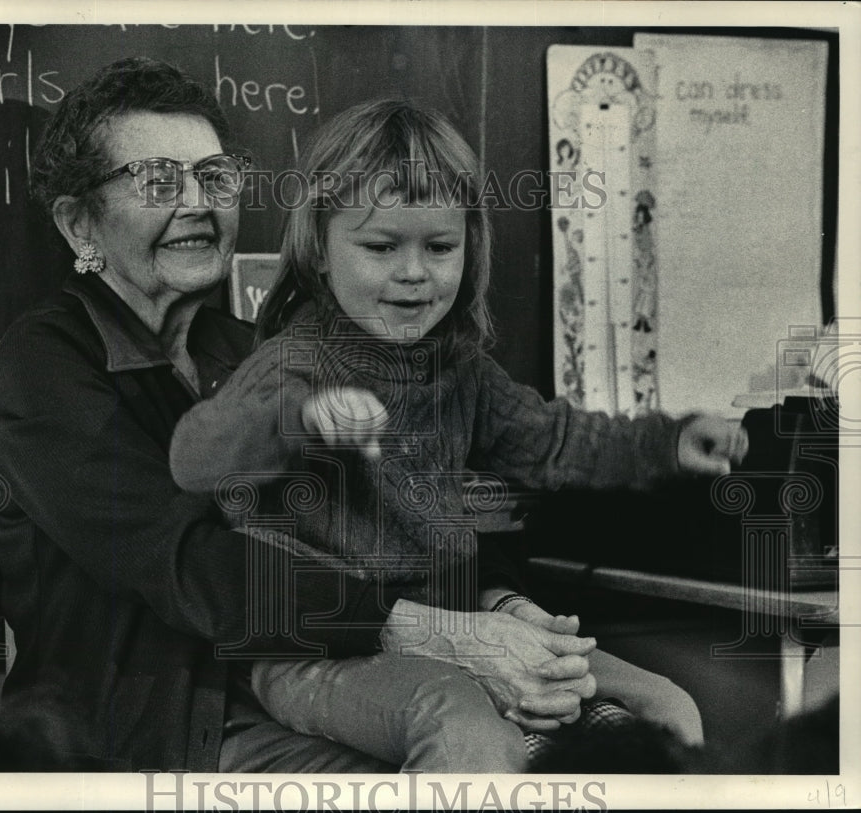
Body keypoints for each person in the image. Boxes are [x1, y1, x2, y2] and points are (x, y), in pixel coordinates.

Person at [0, 58, 600, 773]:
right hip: (148, 734)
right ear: (78, 222)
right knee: (469, 750)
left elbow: (395, 515)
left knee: (583, 739)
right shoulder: (44, 363)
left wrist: (508, 607)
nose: (197, 203)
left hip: (287, 688)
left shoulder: (251, 350)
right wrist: (433, 633)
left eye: (215, 177)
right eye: (158, 180)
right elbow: (187, 562)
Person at [169, 100, 748, 771]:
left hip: (453, 623)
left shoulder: (460, 368)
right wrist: (296, 420)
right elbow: (193, 457)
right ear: (320, 250)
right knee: (464, 727)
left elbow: (552, 440)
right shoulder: (290, 366)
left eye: (439, 247)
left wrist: (667, 442)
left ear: (469, 245)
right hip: (316, 653)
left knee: (668, 706)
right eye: (381, 247)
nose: (415, 272)